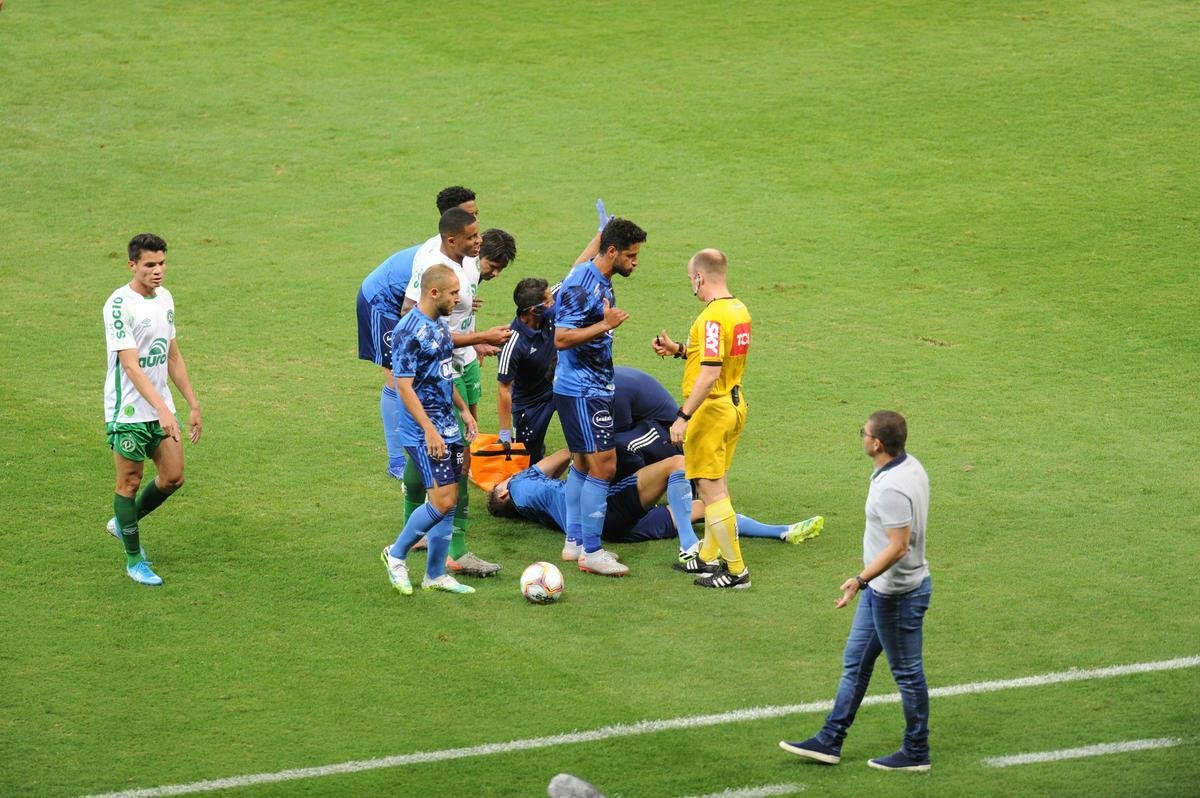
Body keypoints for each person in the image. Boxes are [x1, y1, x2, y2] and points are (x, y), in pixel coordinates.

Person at [779, 410, 932, 772]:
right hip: (882, 590)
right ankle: (830, 740)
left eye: (863, 433)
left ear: (877, 443)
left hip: (896, 595)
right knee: (856, 664)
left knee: (908, 674)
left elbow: (899, 546)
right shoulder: (911, 467)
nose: (861, 437)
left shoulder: (892, 488)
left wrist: (859, 579)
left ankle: (916, 751)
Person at [396, 209, 513, 578]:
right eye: (473, 235)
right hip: (430, 408)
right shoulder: (430, 282)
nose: (479, 241)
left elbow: (443, 355)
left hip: (449, 397)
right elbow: (405, 373)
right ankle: (421, 551)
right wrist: (479, 337)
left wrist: (462, 408)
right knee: (449, 486)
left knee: (435, 474)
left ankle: (433, 566)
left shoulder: (456, 280)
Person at [652, 248, 760, 588]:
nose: (692, 287)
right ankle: (708, 558)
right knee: (716, 485)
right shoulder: (738, 309)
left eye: (691, 280)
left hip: (711, 410)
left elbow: (711, 372)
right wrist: (680, 350)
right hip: (734, 404)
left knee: (711, 491)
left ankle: (736, 571)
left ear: (700, 277)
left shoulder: (712, 317)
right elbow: (716, 357)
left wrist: (684, 415)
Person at [357, 186, 479, 480]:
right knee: (397, 375)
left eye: (477, 214)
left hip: (404, 303)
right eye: (470, 215)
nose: (476, 221)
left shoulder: (459, 251)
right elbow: (408, 312)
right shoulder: (432, 259)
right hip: (382, 301)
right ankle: (397, 459)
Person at [102, 233, 202, 586]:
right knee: (129, 482)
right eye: (150, 265)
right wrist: (162, 408)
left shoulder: (165, 299)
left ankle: (122, 524)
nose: (158, 270)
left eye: (162, 263)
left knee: (173, 477)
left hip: (162, 409)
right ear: (133, 265)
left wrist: (191, 402)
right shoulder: (118, 305)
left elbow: (172, 355)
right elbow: (130, 365)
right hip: (128, 412)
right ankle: (134, 560)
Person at [487, 449, 821, 553]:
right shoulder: (518, 488)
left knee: (707, 510)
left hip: (613, 531)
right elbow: (565, 453)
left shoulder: (532, 499)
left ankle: (783, 530)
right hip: (603, 511)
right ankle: (689, 546)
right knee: (677, 464)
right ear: (503, 493)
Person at [553, 217, 646, 576]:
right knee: (604, 465)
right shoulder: (581, 285)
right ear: (612, 252)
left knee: (581, 462)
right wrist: (605, 325)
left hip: (588, 386)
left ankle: (574, 541)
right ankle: (592, 551)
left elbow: (584, 261)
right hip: (582, 389)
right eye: (631, 255)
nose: (635, 262)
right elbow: (561, 338)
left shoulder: (595, 276)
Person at [380, 265, 481, 595]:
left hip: (447, 425)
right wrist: (429, 430)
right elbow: (404, 386)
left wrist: (464, 411)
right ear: (433, 292)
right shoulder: (408, 331)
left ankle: (435, 574)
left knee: (448, 502)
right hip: (425, 432)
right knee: (441, 500)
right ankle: (396, 555)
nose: (459, 298)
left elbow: (442, 374)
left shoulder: (438, 326)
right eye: (453, 293)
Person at [496, 277, 557, 464]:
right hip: (530, 405)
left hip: (558, 389)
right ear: (534, 310)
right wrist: (505, 433)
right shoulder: (512, 342)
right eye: (548, 301)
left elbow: (572, 274)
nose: (553, 303)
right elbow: (504, 389)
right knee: (529, 459)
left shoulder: (547, 313)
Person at [610, 366, 682, 479]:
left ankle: (631, 488)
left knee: (619, 445)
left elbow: (616, 433)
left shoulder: (614, 389)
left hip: (668, 436)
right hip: (643, 426)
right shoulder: (604, 378)